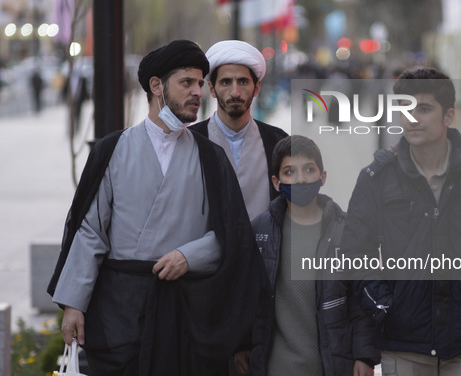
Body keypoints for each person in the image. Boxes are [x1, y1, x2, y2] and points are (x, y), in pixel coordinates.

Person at [47, 39, 268, 375]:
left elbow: (232, 233)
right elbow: (91, 231)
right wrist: (74, 305)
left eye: (199, 83)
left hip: (187, 310)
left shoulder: (210, 156)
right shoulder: (113, 148)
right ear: (156, 86)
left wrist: (189, 256)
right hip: (121, 308)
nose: (197, 92)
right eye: (186, 83)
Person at [342, 67, 461, 375]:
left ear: (448, 115)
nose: (412, 118)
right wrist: (384, 305)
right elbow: (356, 252)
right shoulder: (376, 179)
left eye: (424, 109)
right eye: (405, 108)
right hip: (403, 344)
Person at [245, 135, 380, 376]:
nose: (300, 179)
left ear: (323, 176)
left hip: (332, 367)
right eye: (290, 172)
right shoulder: (260, 232)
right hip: (275, 368)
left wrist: (364, 355)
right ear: (276, 182)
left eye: (309, 169)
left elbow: (361, 299)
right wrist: (242, 347)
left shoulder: (346, 230)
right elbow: (248, 299)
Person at [190, 40, 288, 220]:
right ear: (212, 89)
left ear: (256, 87)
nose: (235, 92)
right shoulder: (190, 141)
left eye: (243, 82)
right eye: (226, 82)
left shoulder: (277, 142)